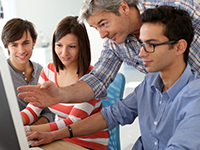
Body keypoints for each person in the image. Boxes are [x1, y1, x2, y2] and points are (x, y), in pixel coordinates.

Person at [25, 5, 200, 149]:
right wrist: (53, 134)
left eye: (150, 45)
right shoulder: (149, 83)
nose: (140, 53)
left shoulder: (194, 97)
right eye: (141, 43)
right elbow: (112, 114)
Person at [18, 0, 200, 108]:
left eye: (103, 23)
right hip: (180, 103)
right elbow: (98, 79)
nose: (102, 35)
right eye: (95, 28)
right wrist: (60, 95)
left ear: (124, 8)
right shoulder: (115, 43)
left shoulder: (177, 7)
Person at [20, 16, 109, 150]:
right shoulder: (48, 71)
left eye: (71, 46)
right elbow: (33, 108)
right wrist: (13, 124)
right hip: (57, 138)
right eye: (59, 45)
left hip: (89, 143)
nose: (64, 53)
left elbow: (72, 122)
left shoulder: (91, 78)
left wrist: (26, 129)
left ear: (82, 47)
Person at [1, 18, 54, 125]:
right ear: (7, 46)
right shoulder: (2, 74)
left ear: (34, 42)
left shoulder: (41, 71)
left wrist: (34, 129)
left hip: (41, 133)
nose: (21, 51)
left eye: (25, 43)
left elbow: (49, 111)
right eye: (14, 45)